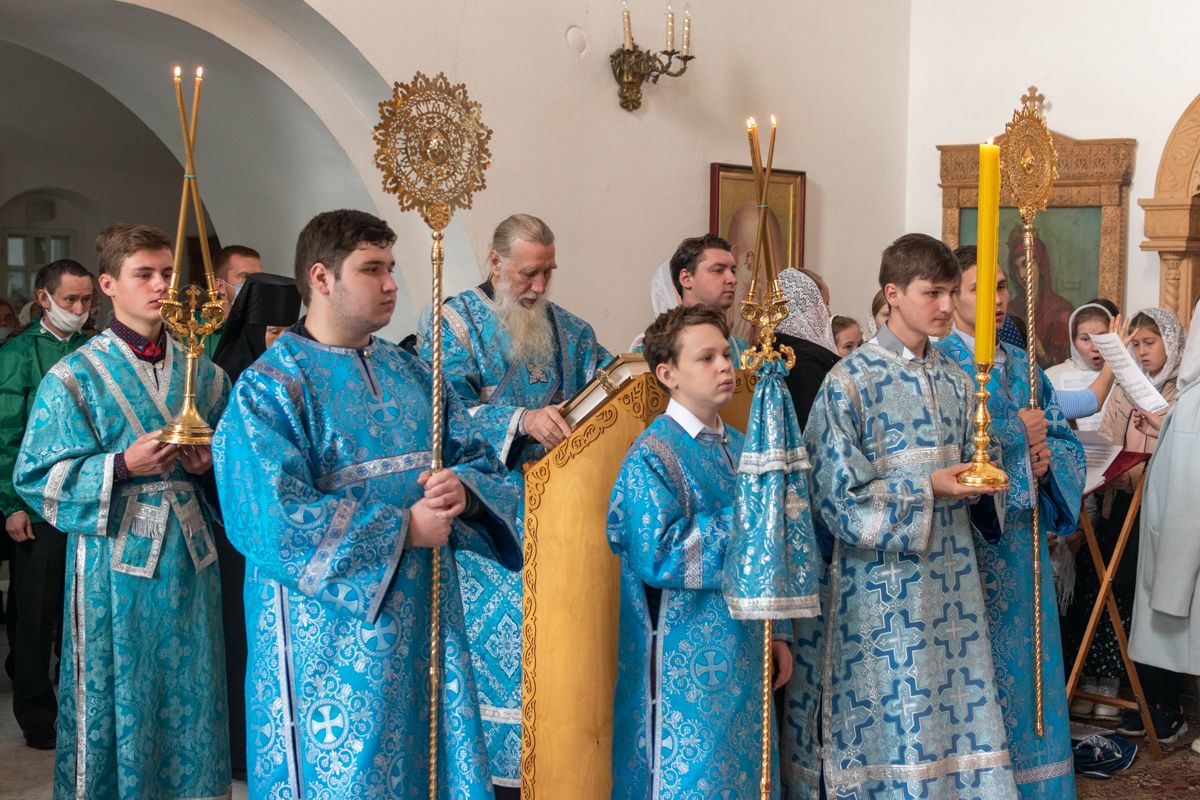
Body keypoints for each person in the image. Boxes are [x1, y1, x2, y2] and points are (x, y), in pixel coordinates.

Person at [213, 209, 521, 797]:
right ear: (322, 278)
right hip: (329, 639)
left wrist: (465, 494)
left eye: (392, 268)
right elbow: (267, 518)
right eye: (372, 269)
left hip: (427, 619)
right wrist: (403, 528)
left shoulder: (413, 373)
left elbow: (482, 461)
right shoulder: (271, 386)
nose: (390, 284)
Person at [785, 233, 1014, 799]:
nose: (946, 305)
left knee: (954, 705)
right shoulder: (850, 381)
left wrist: (983, 482)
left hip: (953, 584)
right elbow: (835, 497)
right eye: (932, 293)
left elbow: (982, 463)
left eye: (951, 292)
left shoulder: (958, 379)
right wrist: (928, 486)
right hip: (879, 591)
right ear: (893, 294)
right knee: (894, 712)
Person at [14, 224, 231, 798]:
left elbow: (239, 474)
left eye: (168, 274)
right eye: (145, 274)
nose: (161, 285)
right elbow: (35, 478)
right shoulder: (74, 376)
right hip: (113, 564)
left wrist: (209, 467)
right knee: (125, 687)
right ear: (108, 284)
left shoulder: (207, 375)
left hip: (193, 562)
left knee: (193, 687)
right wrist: (121, 465)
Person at [423, 213, 609, 794]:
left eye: (548, 272)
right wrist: (521, 420)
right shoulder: (453, 324)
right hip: (487, 525)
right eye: (528, 272)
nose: (539, 286)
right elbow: (439, 415)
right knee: (498, 669)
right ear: (496, 263)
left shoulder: (572, 331)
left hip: (562, 522)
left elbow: (607, 392)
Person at [607, 304, 792, 798]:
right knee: (699, 781)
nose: (725, 366)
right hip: (685, 660)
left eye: (726, 354)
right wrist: (749, 520)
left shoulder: (743, 446)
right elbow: (659, 555)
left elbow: (774, 547)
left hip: (748, 646)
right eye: (706, 358)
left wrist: (780, 631)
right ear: (667, 373)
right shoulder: (651, 454)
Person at [936, 245, 1084, 799]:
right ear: (951, 295)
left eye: (1001, 287)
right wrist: (1019, 446)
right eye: (981, 289)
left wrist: (1048, 464)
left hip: (1023, 553)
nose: (997, 300)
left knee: (1028, 674)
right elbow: (944, 456)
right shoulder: (941, 367)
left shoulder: (1024, 366)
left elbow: (1063, 441)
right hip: (965, 549)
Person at [208, 271, 301, 779]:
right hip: (234, 532)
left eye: (290, 330)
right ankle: (239, 751)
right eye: (272, 331)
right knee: (240, 640)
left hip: (286, 532)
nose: (282, 341)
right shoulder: (226, 376)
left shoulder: (297, 374)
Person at [0, 258, 94, 750]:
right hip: (36, 502)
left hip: (86, 496)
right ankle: (36, 713)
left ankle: (77, 702)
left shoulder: (94, 349)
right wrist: (11, 504)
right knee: (34, 612)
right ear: (44, 299)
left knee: (79, 610)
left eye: (86, 299)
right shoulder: (18, 353)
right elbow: (6, 433)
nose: (79, 308)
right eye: (70, 299)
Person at [1088, 307, 1189, 743]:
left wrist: (1138, 471)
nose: (1142, 351)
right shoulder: (1125, 388)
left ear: (1174, 344)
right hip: (1122, 507)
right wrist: (1110, 469)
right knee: (1127, 602)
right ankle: (1140, 698)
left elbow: (1180, 454)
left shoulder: (1183, 392)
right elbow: (1109, 440)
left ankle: (1168, 703)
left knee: (1159, 605)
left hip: (1163, 509)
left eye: (1151, 342)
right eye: (1137, 344)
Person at [635, 234, 750, 362]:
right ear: (686, 279)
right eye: (718, 270)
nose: (732, 279)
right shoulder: (653, 350)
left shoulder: (743, 351)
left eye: (733, 271)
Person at [775, 267, 838, 431]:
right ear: (801, 308)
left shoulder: (773, 349)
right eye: (823, 304)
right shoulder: (805, 364)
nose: (828, 313)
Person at [204, 244, 264, 359]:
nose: (257, 284)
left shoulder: (268, 328)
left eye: (260, 277)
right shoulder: (201, 329)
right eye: (246, 277)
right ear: (220, 286)